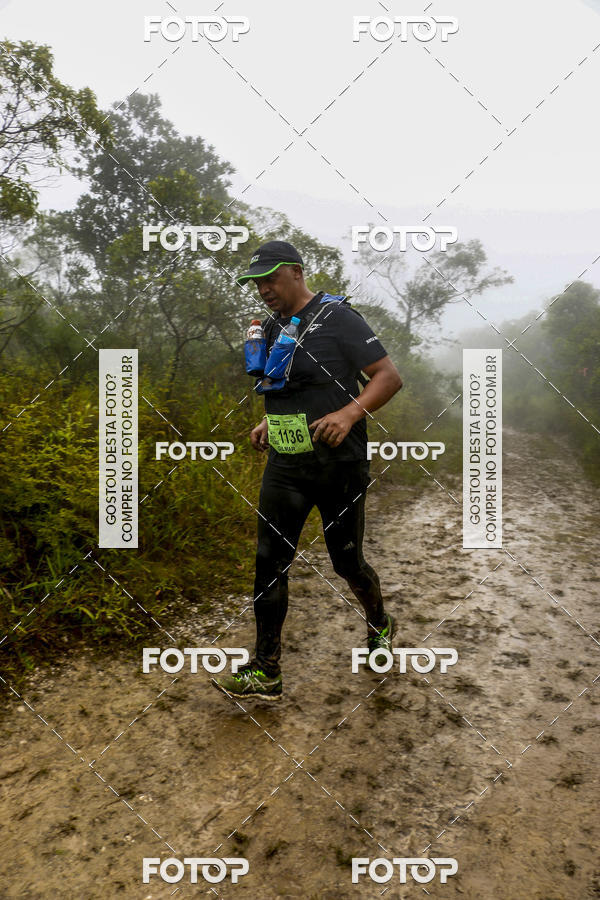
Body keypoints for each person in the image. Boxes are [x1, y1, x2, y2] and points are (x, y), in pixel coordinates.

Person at [212, 240, 403, 701]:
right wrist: (267, 421)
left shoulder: (339, 318)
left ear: (296, 272)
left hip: (339, 465)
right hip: (286, 463)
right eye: (257, 282)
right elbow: (292, 387)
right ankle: (266, 669)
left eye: (270, 279)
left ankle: (380, 622)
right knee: (268, 563)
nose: (263, 289)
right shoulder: (276, 326)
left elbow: (388, 376)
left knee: (347, 562)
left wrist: (349, 414)